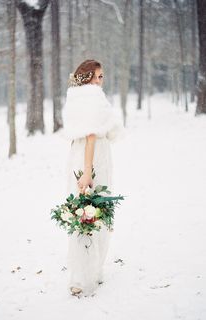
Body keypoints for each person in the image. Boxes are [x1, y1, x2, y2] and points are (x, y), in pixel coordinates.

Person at [62, 59, 125, 297]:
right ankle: (85, 275)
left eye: (102, 76)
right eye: (97, 76)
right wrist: (88, 170)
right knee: (93, 215)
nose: (101, 80)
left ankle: (88, 271)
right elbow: (90, 135)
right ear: (87, 77)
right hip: (93, 158)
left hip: (79, 157)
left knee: (84, 214)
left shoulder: (75, 97)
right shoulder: (93, 98)